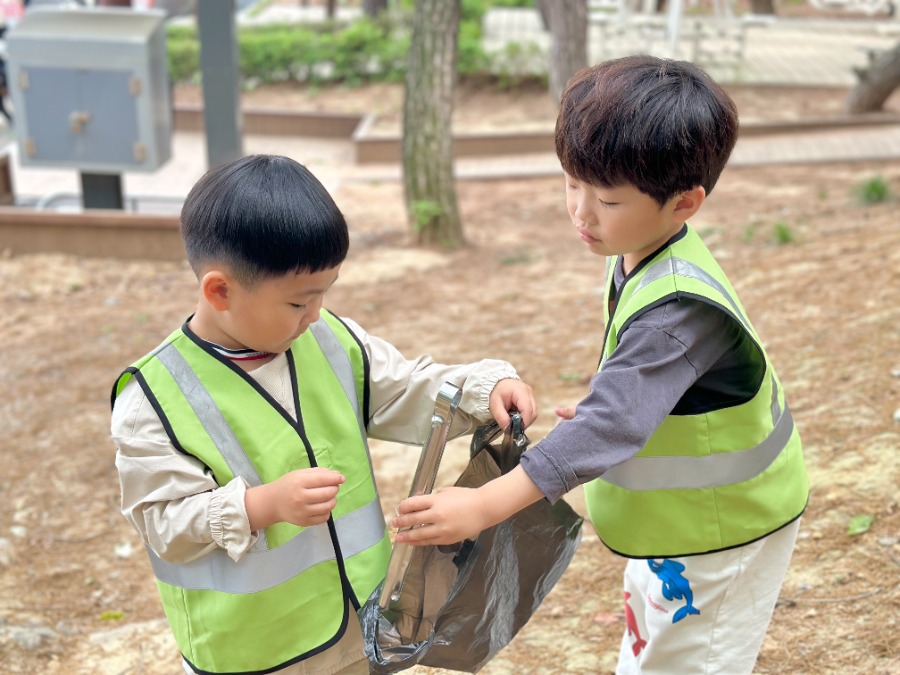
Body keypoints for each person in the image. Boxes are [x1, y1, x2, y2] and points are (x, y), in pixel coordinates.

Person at [391, 55, 809, 675]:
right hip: (678, 525)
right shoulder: (638, 249)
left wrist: (485, 505)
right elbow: (638, 392)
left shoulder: (676, 309)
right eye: (570, 183)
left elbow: (612, 425)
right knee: (654, 646)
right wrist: (631, 402)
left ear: (684, 203)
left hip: (723, 531)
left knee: (691, 662)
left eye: (606, 199)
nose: (580, 213)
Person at [109, 154, 537, 675]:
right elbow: (162, 522)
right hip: (255, 652)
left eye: (322, 295)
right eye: (297, 303)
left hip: (357, 628)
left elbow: (405, 387)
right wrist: (261, 505)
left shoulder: (329, 340)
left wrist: (483, 387)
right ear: (219, 290)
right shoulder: (154, 397)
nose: (314, 315)